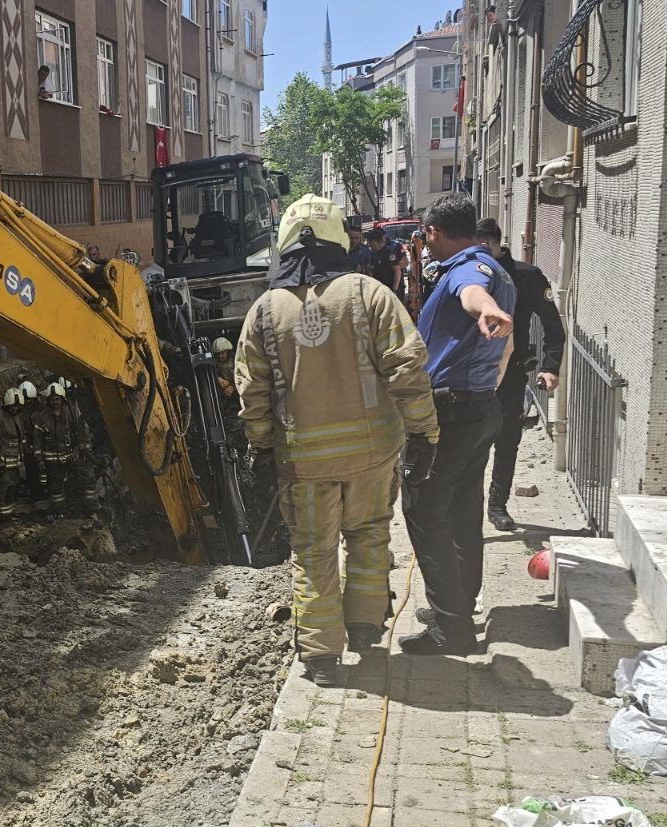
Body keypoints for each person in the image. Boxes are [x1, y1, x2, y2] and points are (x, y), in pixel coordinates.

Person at [235, 194, 439, 686]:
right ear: (339, 238)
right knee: (369, 533)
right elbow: (408, 368)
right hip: (372, 455)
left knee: (313, 552)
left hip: (303, 461)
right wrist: (423, 432)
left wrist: (260, 448)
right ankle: (365, 626)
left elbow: (252, 391)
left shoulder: (264, 310)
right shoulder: (370, 295)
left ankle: (321, 656)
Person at [400, 195, 516, 655]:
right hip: (479, 407)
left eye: (426, 236)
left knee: (424, 511)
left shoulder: (468, 271)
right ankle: (458, 606)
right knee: (463, 511)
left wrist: (484, 309)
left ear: (433, 232)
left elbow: (472, 293)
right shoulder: (497, 267)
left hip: (451, 413)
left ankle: (451, 628)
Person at [475, 218, 566, 532]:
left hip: (511, 374)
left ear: (491, 244)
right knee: (470, 443)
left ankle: (497, 505)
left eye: (481, 246)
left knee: (508, 441)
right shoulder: (468, 275)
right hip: (473, 376)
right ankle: (467, 506)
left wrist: (550, 367)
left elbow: (553, 326)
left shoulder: (525, 276)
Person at [33, 382, 94, 512]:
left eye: (57, 399)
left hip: (73, 455)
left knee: (87, 476)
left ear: (62, 399)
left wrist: (83, 448)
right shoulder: (42, 417)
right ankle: (60, 510)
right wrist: (38, 457)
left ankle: (91, 507)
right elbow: (37, 438)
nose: (55, 402)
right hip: (53, 459)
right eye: (52, 399)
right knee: (55, 487)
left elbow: (84, 431)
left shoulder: (72, 412)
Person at [0, 388, 32, 516]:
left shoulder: (18, 416)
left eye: (17, 407)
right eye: (13, 407)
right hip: (4, 462)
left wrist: (24, 451)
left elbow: (21, 436)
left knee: (14, 486)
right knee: (5, 487)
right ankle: (5, 515)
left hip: (16, 461)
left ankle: (12, 512)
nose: (15, 409)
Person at [18, 380, 45, 507]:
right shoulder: (19, 410)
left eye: (29, 400)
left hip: (42, 443)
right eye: (25, 400)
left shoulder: (42, 409)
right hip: (27, 445)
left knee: (45, 469)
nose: (27, 402)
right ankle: (35, 493)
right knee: (31, 470)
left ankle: (46, 492)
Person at [365, 226, 405, 295]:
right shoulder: (375, 253)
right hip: (382, 290)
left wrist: (394, 290)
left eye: (369, 243)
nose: (369, 246)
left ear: (374, 242)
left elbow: (397, 271)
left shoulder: (389, 252)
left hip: (391, 290)